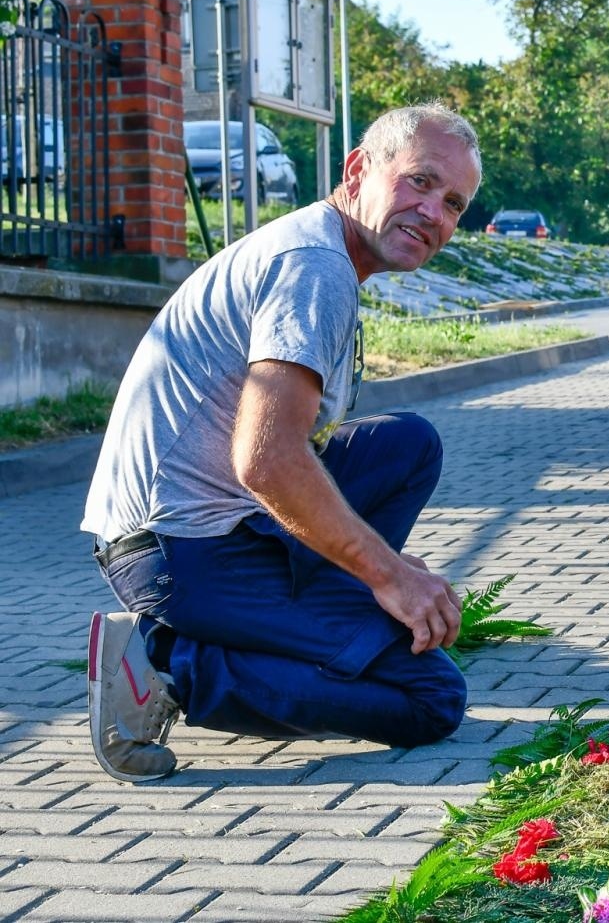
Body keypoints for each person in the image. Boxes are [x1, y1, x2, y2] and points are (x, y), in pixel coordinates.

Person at [81, 102, 481, 782]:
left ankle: (310, 630)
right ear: (357, 170)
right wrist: (389, 575)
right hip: (178, 554)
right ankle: (167, 664)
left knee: (406, 445)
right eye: (419, 182)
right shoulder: (314, 267)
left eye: (454, 204)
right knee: (430, 698)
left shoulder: (320, 251)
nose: (434, 213)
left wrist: (376, 566)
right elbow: (267, 462)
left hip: (215, 526)